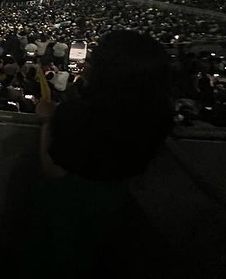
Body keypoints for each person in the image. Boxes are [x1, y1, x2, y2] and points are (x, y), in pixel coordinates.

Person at [24, 30, 175, 277]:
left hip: (68, 206)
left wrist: (46, 121)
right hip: (117, 205)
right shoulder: (158, 115)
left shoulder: (81, 113)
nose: (87, 65)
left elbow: (52, 168)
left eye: (93, 60)